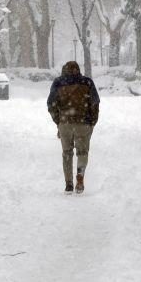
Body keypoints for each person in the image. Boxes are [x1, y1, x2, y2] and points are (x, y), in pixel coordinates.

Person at [47, 61, 100, 194]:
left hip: (65, 123)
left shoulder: (58, 83)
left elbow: (51, 103)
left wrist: (58, 121)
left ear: (64, 70)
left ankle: (69, 184)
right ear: (78, 70)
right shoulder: (87, 83)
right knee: (82, 152)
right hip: (83, 123)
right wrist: (92, 121)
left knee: (67, 153)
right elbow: (95, 102)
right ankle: (80, 175)